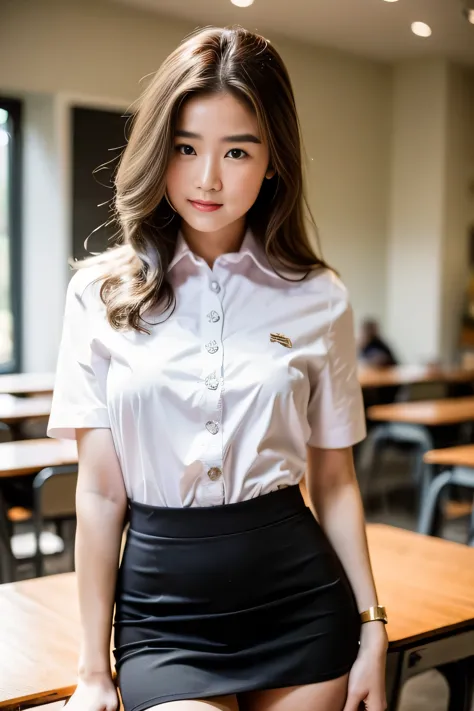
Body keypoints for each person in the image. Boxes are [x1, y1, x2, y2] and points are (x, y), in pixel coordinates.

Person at [47, 27, 388, 711]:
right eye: (185, 148)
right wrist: (91, 669)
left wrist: (373, 625)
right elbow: (99, 494)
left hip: (299, 603)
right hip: (162, 615)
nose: (207, 178)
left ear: (273, 163)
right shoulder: (99, 295)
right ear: (158, 153)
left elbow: (334, 480)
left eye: (237, 150)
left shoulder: (320, 295)